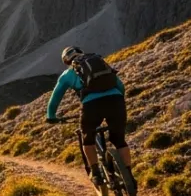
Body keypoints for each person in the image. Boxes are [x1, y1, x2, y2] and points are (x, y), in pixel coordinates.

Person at [46, 46, 130, 185]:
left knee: (88, 138)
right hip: (116, 102)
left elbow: (55, 98)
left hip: (92, 106)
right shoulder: (100, 62)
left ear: (67, 61)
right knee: (119, 140)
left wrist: (51, 115)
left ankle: (96, 173)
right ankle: (129, 177)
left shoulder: (68, 74)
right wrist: (118, 100)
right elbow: (120, 86)